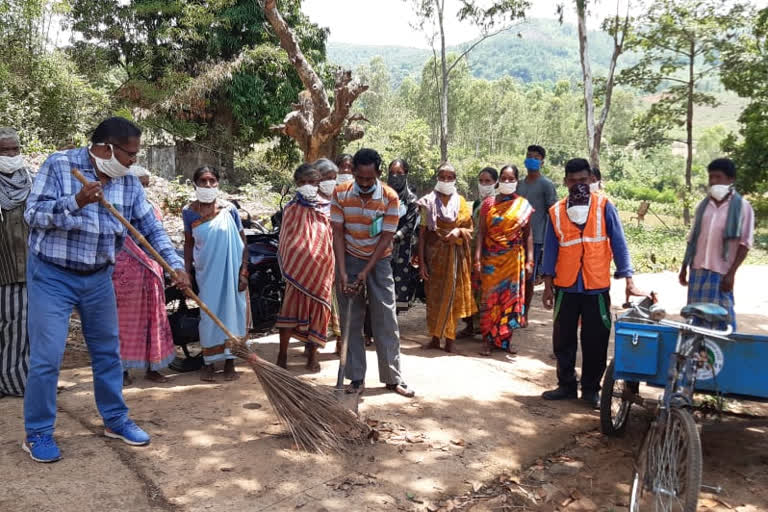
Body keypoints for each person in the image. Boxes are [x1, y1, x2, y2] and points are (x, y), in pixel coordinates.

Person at [23, 117, 190, 462]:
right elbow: (33, 215)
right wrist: (76, 202)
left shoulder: (128, 183)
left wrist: (174, 264)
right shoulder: (60, 165)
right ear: (106, 148)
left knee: (108, 353)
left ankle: (115, 419)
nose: (133, 161)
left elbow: (149, 228)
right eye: (129, 154)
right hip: (52, 275)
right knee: (46, 358)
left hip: (99, 277)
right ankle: (37, 432)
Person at [540, 158, 642, 408]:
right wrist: (548, 284)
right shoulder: (556, 211)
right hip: (566, 285)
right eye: (573, 181)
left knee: (595, 339)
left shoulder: (604, 206)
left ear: (591, 180)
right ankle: (565, 385)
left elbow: (619, 243)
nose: (578, 185)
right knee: (563, 338)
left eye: (583, 180)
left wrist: (628, 278)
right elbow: (551, 250)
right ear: (565, 182)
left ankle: (590, 389)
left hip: (595, 285)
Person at [331, 148, 414, 397]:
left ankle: (392, 378)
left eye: (370, 178)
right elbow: (337, 233)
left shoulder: (389, 197)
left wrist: (365, 272)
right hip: (348, 257)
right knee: (351, 319)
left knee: (385, 317)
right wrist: (344, 272)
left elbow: (387, 237)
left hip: (379, 261)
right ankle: (356, 378)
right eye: (360, 178)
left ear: (379, 173)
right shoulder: (341, 193)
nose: (365, 183)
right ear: (354, 173)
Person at [183, 166, 247, 382]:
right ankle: (208, 362)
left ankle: (230, 361)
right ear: (195, 184)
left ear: (218, 184)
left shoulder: (229, 210)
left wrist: (244, 272)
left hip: (231, 273)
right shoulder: (188, 212)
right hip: (206, 273)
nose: (208, 185)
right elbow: (189, 243)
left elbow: (242, 241)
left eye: (212, 181)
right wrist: (187, 272)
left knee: (232, 313)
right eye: (203, 181)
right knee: (208, 317)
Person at [113, 165, 175, 385]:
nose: (143, 189)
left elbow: (158, 236)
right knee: (124, 324)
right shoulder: (116, 208)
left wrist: (172, 265)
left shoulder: (151, 209)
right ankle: (121, 370)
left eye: (146, 185)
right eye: (140, 184)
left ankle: (154, 367)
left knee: (154, 321)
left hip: (152, 272)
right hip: (126, 275)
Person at [679, 158, 754, 330]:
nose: (713, 181)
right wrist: (684, 268)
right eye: (710, 177)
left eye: (718, 177)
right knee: (695, 319)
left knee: (721, 319)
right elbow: (692, 239)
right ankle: (697, 355)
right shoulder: (703, 206)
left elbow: (744, 244)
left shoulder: (742, 207)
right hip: (697, 270)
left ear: (730, 179)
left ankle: (721, 355)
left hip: (720, 273)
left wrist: (731, 274)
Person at [275, 163, 335, 372]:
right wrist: (296, 263)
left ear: (319, 184)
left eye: (312, 182)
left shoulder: (328, 207)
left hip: (322, 271)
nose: (308, 186)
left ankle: (313, 355)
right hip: (297, 273)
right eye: (303, 183)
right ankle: (282, 355)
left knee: (319, 313)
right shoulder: (291, 208)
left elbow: (329, 237)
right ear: (297, 184)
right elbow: (285, 240)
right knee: (289, 312)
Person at [475, 165, 534, 356]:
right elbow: (481, 233)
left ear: (517, 181)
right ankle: (487, 341)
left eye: (511, 179)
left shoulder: (523, 205)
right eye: (504, 178)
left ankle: (505, 340)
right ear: (499, 180)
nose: (507, 182)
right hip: (491, 260)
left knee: (510, 299)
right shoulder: (488, 204)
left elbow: (528, 235)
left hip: (513, 260)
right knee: (490, 300)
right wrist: (477, 258)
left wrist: (530, 261)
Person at [417, 163, 475, 353]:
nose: (446, 180)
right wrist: (421, 262)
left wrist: (458, 231)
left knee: (453, 296)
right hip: (434, 256)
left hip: (455, 258)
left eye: (450, 177)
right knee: (434, 298)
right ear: (437, 178)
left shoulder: (462, 202)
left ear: (455, 179)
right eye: (442, 176)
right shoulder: (427, 203)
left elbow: (470, 229)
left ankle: (450, 339)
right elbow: (423, 233)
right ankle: (435, 338)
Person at [0, 127, 32, 398]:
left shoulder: (30, 181)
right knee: (10, 327)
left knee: (24, 327)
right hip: (4, 268)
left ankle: (19, 380)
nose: (11, 155)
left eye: (15, 149)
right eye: (5, 150)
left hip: (29, 268)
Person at [517, 145, 557, 325]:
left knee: (529, 278)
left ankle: (524, 313)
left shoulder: (546, 185)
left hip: (537, 238)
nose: (531, 159)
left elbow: (553, 212)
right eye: (529, 156)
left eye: (535, 157)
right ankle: (514, 311)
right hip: (516, 236)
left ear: (542, 162)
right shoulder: (519, 184)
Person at [458, 166, 498, 338]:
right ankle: (470, 326)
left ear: (496, 183)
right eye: (481, 181)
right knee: (471, 289)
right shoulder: (476, 203)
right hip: (472, 251)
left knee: (485, 291)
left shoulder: (497, 204)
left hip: (489, 252)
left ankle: (485, 328)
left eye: (488, 181)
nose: (484, 184)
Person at [313, 158, 342, 343]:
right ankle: (313, 343)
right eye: (326, 177)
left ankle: (340, 341)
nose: (330, 181)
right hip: (316, 261)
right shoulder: (310, 202)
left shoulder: (340, 200)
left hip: (338, 258)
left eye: (333, 177)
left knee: (339, 299)